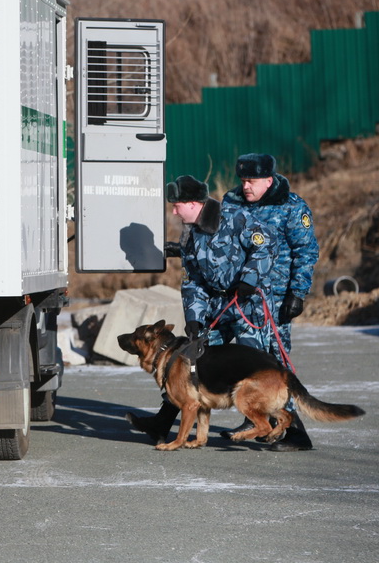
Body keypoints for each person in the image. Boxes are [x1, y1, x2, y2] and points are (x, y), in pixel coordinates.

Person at [126, 174, 277, 443]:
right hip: (217, 309)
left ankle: (291, 432)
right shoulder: (190, 235)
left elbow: (265, 247)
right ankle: (163, 422)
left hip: (247, 304)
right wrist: (194, 318)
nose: (173, 210)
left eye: (177, 205)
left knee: (255, 365)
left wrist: (249, 279)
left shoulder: (235, 218)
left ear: (193, 203)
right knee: (190, 363)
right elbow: (193, 281)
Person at [220, 153, 320, 451]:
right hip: (243, 299)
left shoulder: (291, 207)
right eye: (242, 180)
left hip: (276, 299)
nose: (245, 186)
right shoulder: (232, 202)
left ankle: (295, 432)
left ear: (268, 180)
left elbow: (307, 251)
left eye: (251, 181)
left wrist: (298, 292)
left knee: (276, 364)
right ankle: (258, 419)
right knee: (249, 360)